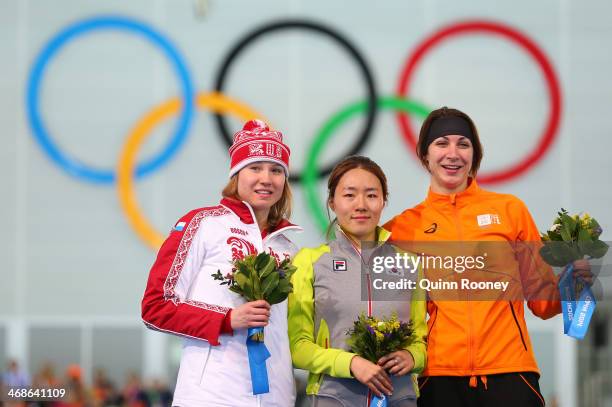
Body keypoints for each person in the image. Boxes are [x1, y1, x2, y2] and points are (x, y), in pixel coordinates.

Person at [384, 107, 592, 407]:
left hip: (510, 372)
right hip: (439, 376)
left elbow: (543, 302)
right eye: (441, 143)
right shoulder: (403, 228)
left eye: (463, 144)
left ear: (475, 155)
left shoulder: (510, 211)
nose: (453, 153)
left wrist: (576, 282)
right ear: (425, 155)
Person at [141, 119, 301, 407]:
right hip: (210, 395)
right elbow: (155, 307)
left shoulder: (288, 247)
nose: (267, 178)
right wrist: (227, 320)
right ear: (236, 174)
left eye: (277, 170)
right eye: (255, 167)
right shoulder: (201, 224)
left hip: (276, 397)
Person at [288, 155, 427, 407]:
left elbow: (420, 338)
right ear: (332, 202)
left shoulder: (409, 264)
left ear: (384, 201)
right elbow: (298, 347)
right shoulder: (309, 262)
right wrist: (350, 364)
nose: (361, 205)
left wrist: (412, 356)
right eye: (349, 195)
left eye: (371, 195)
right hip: (333, 397)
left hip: (399, 397)